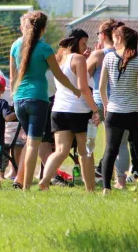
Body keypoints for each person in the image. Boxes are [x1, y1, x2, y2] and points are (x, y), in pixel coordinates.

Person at [10, 11, 82, 190]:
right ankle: (27, 187)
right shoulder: (45, 49)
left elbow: (12, 79)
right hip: (38, 99)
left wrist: (15, 97)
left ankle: (23, 182)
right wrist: (74, 89)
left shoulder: (15, 45)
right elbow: (59, 75)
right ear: (43, 29)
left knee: (29, 142)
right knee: (33, 144)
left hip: (19, 100)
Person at [38, 29, 100, 192]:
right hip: (78, 111)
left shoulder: (59, 58)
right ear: (76, 41)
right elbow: (83, 89)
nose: (86, 47)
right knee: (85, 152)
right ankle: (90, 190)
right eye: (84, 43)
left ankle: (45, 180)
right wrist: (95, 110)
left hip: (58, 110)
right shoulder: (78, 59)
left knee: (60, 151)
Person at [99, 26, 138, 195]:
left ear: (120, 39)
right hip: (134, 111)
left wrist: (106, 105)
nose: (113, 41)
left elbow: (101, 87)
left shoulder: (108, 58)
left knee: (110, 149)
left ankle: (106, 187)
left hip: (114, 111)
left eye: (114, 38)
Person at [87, 19, 131, 187]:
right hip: (120, 104)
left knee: (88, 140)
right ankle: (121, 182)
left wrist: (89, 58)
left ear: (103, 35)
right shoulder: (126, 54)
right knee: (120, 144)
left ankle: (89, 178)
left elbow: (83, 76)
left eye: (98, 34)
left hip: (98, 103)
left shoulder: (99, 54)